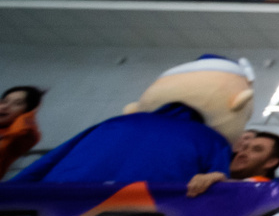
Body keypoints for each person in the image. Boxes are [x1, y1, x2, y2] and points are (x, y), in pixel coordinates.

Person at [14, 55, 253, 185]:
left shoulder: (111, 125)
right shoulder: (211, 141)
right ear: (236, 104)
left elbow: (40, 168)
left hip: (49, 214)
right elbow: (213, 193)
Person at [186, 128, 279, 196]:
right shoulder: (213, 174)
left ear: (271, 162)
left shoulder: (267, 190)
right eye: (244, 148)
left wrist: (220, 183)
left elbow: (248, 188)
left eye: (256, 150)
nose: (242, 153)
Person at [0, 84, 43, 177]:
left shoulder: (24, 134)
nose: (5, 107)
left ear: (27, 111)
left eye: (17, 103)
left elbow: (20, 131)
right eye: (4, 101)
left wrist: (31, 113)